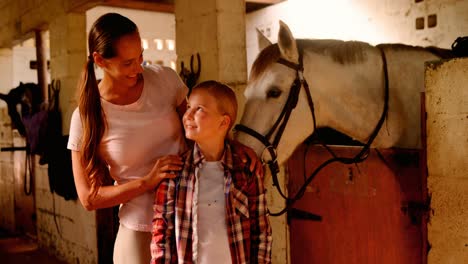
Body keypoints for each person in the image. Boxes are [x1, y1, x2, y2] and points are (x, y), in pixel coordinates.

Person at [68, 13, 260, 264]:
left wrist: (235, 147)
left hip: (188, 223)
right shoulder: (85, 117)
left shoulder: (165, 79)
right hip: (138, 231)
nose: (138, 68)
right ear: (100, 60)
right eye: (127, 63)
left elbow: (201, 127)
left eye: (141, 57)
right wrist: (147, 181)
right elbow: (88, 198)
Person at [151, 80, 272, 264]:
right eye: (189, 106)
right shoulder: (174, 173)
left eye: (199, 109)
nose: (188, 115)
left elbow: (261, 232)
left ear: (223, 122)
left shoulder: (246, 173)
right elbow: (162, 235)